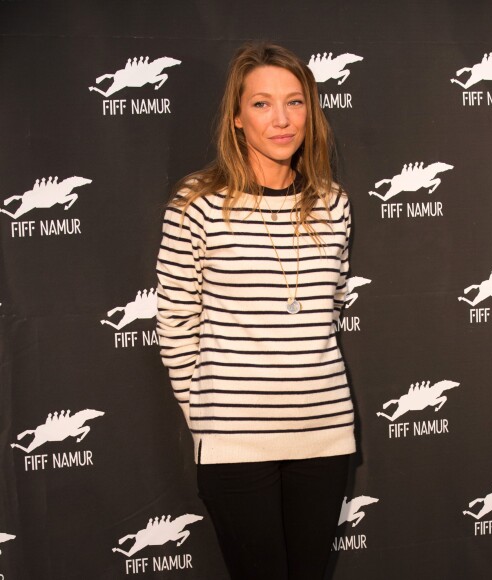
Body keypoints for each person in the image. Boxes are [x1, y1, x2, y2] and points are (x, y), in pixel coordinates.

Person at [156, 41, 355, 580]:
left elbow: (328, 305)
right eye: (263, 104)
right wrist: (206, 419)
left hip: (324, 434)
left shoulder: (332, 202)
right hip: (234, 442)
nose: (282, 119)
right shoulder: (195, 203)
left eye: (295, 102)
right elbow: (175, 321)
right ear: (238, 117)